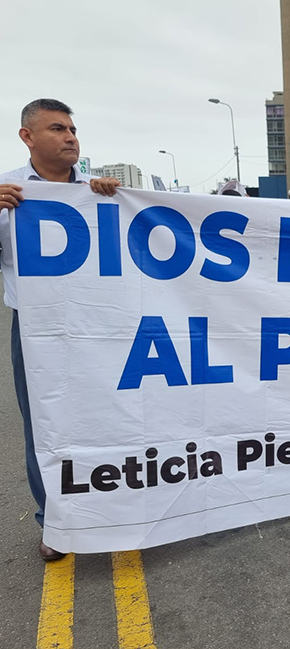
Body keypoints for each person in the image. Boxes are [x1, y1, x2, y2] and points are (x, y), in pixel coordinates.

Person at [0, 98, 122, 561]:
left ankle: (121, 507)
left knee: (113, 415)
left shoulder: (97, 191)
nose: (70, 136)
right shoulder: (6, 191)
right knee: (46, 425)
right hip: (37, 331)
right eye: (57, 128)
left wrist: (113, 197)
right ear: (27, 136)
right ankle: (54, 522)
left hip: (105, 325)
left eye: (72, 128)